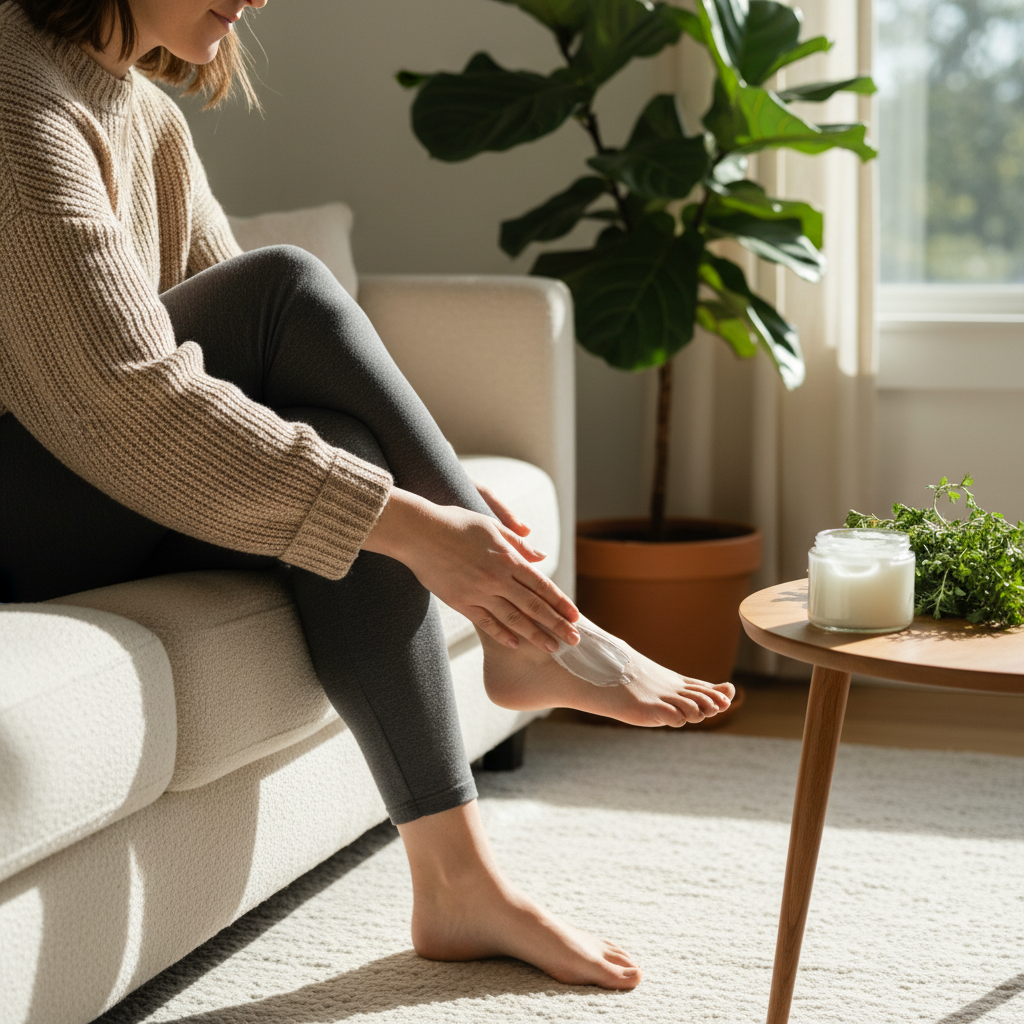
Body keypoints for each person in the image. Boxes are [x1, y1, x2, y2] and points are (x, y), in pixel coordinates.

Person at [0, 0, 734, 990]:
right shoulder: (16, 94)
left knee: (344, 452)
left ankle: (458, 882)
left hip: (88, 494)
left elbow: (263, 375)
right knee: (290, 293)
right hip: (23, 505)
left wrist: (417, 495)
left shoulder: (146, 113)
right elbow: (121, 395)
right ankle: (543, 633)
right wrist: (428, 520)